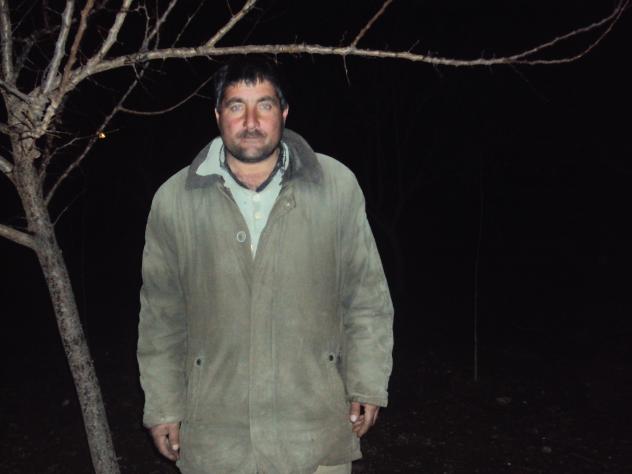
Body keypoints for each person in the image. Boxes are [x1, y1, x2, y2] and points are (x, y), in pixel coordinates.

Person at [137, 57, 394, 474]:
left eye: (265, 105)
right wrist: (163, 405)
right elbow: (161, 317)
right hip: (216, 436)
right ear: (218, 114)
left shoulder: (335, 186)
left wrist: (367, 383)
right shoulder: (175, 200)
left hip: (313, 429)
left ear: (284, 112)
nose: (251, 121)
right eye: (236, 105)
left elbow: (366, 296)